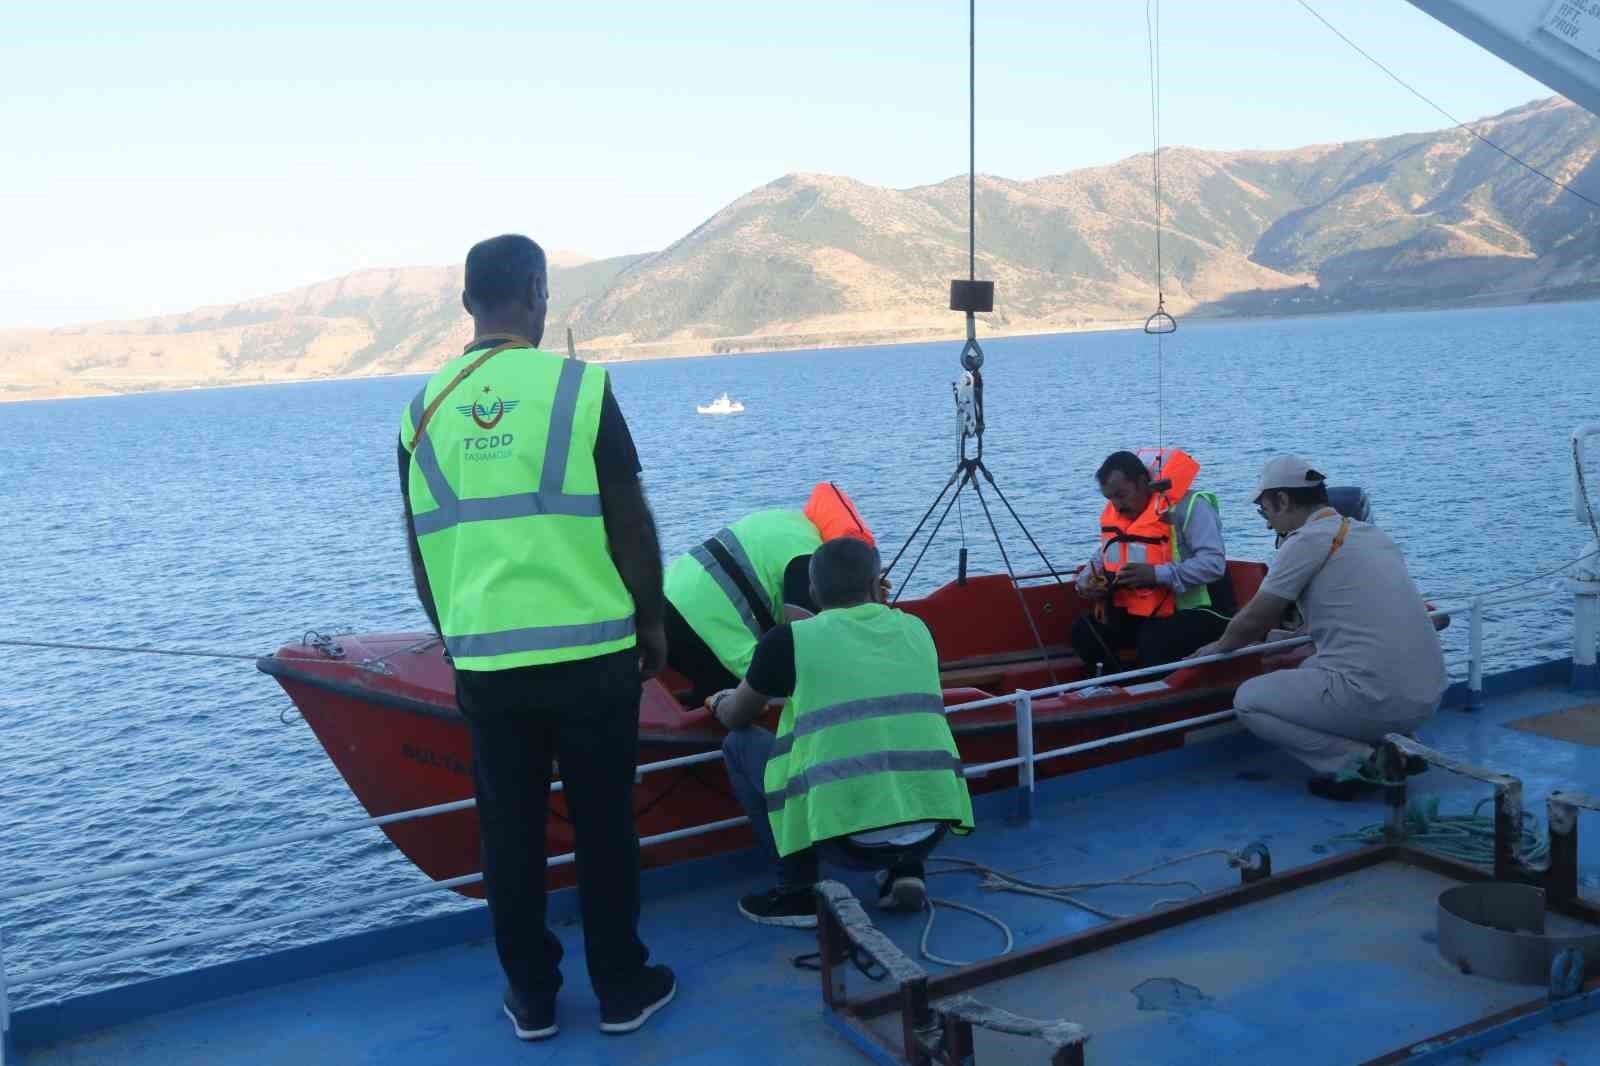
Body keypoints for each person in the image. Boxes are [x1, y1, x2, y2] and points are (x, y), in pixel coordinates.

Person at [397, 234, 674, 1041]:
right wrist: (650, 619)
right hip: (591, 657)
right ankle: (622, 986)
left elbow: (422, 547)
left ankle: (533, 997)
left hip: (488, 665)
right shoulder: (580, 388)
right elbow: (629, 517)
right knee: (603, 826)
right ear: (536, 292)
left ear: (467, 303)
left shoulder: (421, 411)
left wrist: (456, 637)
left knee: (510, 834)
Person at [709, 537, 975, 927]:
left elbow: (737, 715)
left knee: (740, 744)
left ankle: (798, 891)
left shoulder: (788, 642)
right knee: (892, 734)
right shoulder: (918, 630)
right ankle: (905, 872)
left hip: (846, 843)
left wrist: (718, 701)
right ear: (875, 586)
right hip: (933, 827)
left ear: (814, 592)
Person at [1195, 455, 1447, 800]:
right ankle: (1405, 747)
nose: (1268, 525)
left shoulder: (1306, 541)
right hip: (1429, 695)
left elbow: (1255, 619)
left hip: (1382, 700)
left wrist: (1217, 648)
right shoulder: (1372, 535)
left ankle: (1361, 762)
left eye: (1265, 511)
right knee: (1313, 665)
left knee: (1249, 701)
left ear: (1282, 500)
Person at [663, 482, 876, 705]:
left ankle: (698, 699)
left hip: (666, 602)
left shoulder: (791, 523)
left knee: (714, 683)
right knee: (761, 693)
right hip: (705, 628)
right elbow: (804, 645)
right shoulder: (809, 560)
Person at [1071, 449, 1236, 672]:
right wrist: (1087, 581)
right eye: (1110, 498)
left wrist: (1156, 574)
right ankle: (1116, 686)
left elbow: (1214, 564)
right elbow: (1103, 553)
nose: (1117, 505)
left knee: (1155, 638)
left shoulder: (1191, 506)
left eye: (1121, 495)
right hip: (1146, 611)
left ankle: (1157, 693)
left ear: (1142, 482)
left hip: (1203, 610)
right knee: (1085, 630)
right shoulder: (1122, 516)